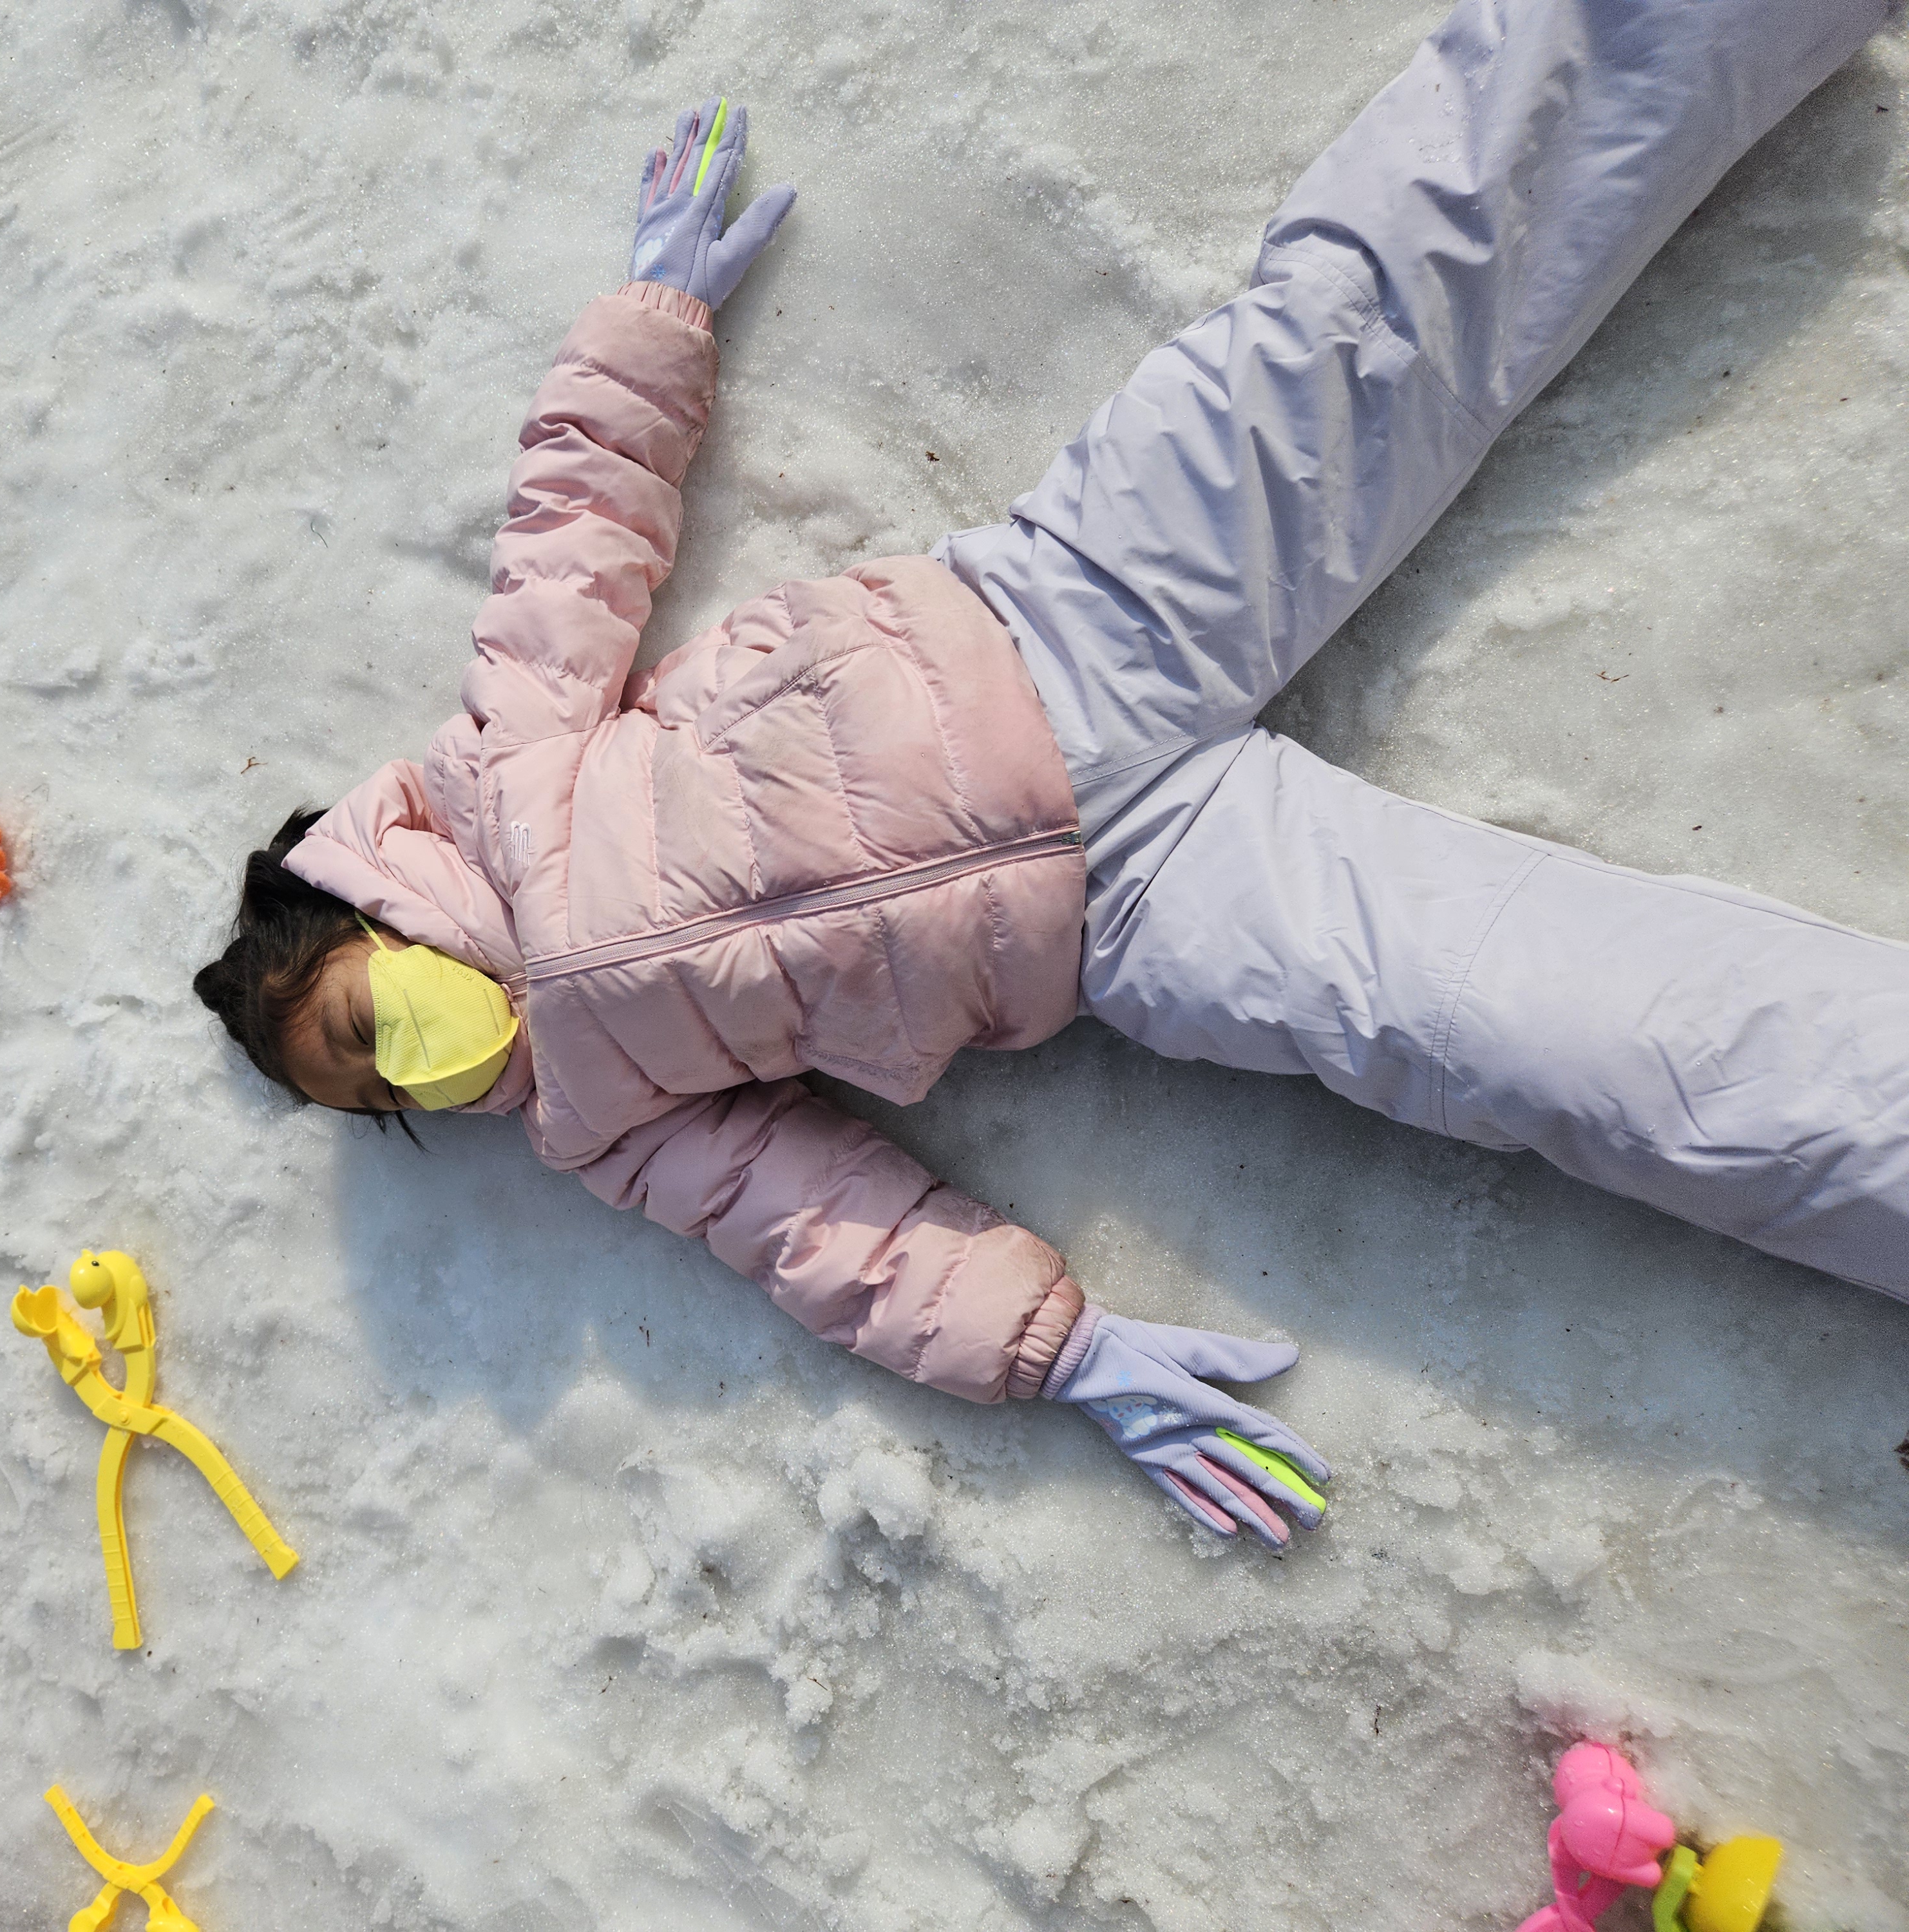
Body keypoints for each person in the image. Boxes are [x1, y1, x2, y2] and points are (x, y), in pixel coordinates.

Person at [196, 0, 1909, 1549]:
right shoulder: (599, 1123)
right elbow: (822, 1232)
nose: (413, 1073)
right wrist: (1059, 1348)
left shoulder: (504, 762)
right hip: (1133, 913)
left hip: (1062, 610)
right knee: (1546, 1043)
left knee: (1379, 305)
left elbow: (574, 530)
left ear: (364, 902)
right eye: (387, 1105)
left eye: (365, 1031)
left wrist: (652, 314)